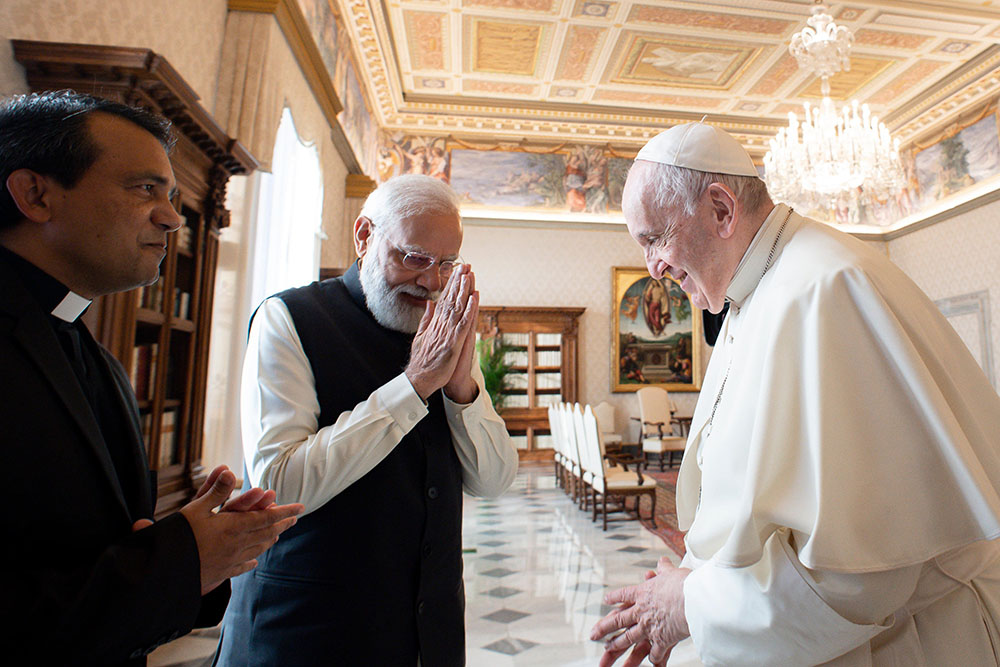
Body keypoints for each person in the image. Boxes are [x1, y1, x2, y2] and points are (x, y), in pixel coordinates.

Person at [591, 122, 1000, 666]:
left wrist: (693, 605)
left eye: (655, 238)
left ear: (720, 210)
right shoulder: (750, 295)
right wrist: (693, 578)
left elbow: (863, 575)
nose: (654, 268)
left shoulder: (825, 289)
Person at [0, 90, 304, 666]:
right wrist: (180, 559)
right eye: (144, 189)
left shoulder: (92, 353)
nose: (170, 216)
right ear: (35, 194)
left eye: (171, 194)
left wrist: (192, 556)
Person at [217, 174, 519, 666]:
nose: (431, 281)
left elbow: (493, 482)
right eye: (413, 257)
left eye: (446, 264)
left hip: (428, 633)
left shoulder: (443, 329)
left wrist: (462, 388)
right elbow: (281, 482)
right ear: (363, 236)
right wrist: (415, 385)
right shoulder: (288, 318)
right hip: (307, 631)